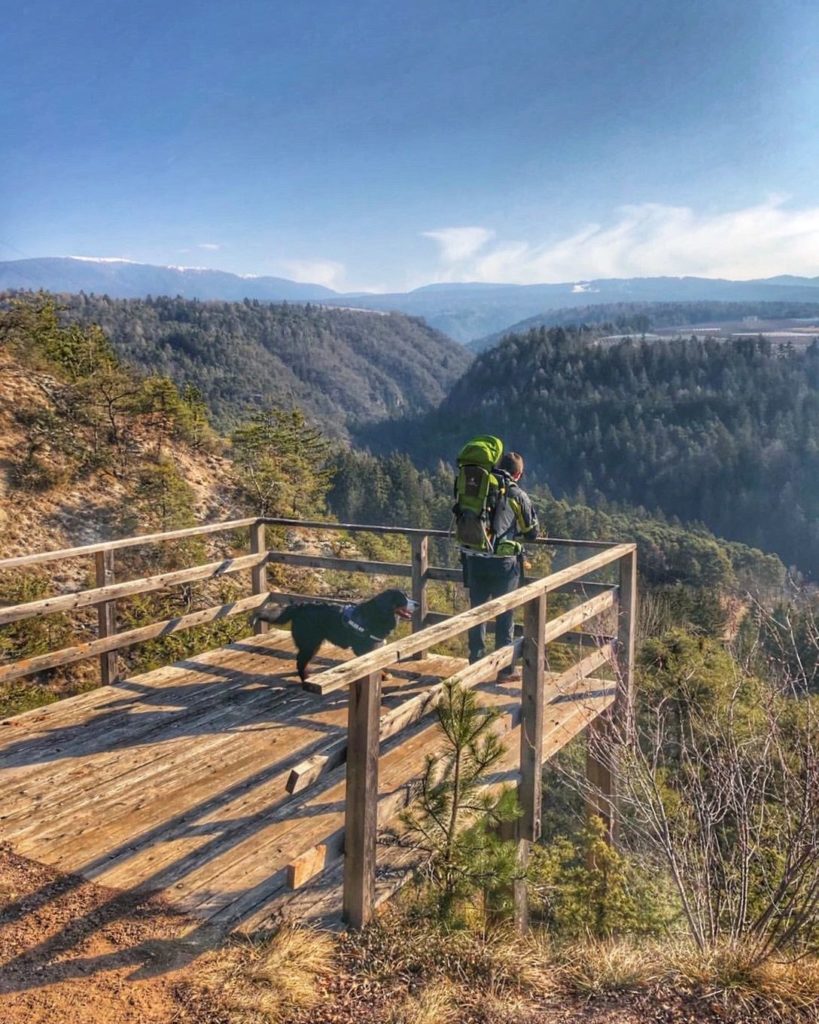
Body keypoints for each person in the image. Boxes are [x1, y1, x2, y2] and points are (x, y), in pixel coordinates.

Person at [460, 450, 539, 681]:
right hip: (503, 563)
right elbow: (531, 532)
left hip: (473, 558)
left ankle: (475, 664)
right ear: (519, 473)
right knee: (505, 614)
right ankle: (504, 670)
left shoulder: (479, 488)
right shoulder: (516, 494)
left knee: (477, 613)